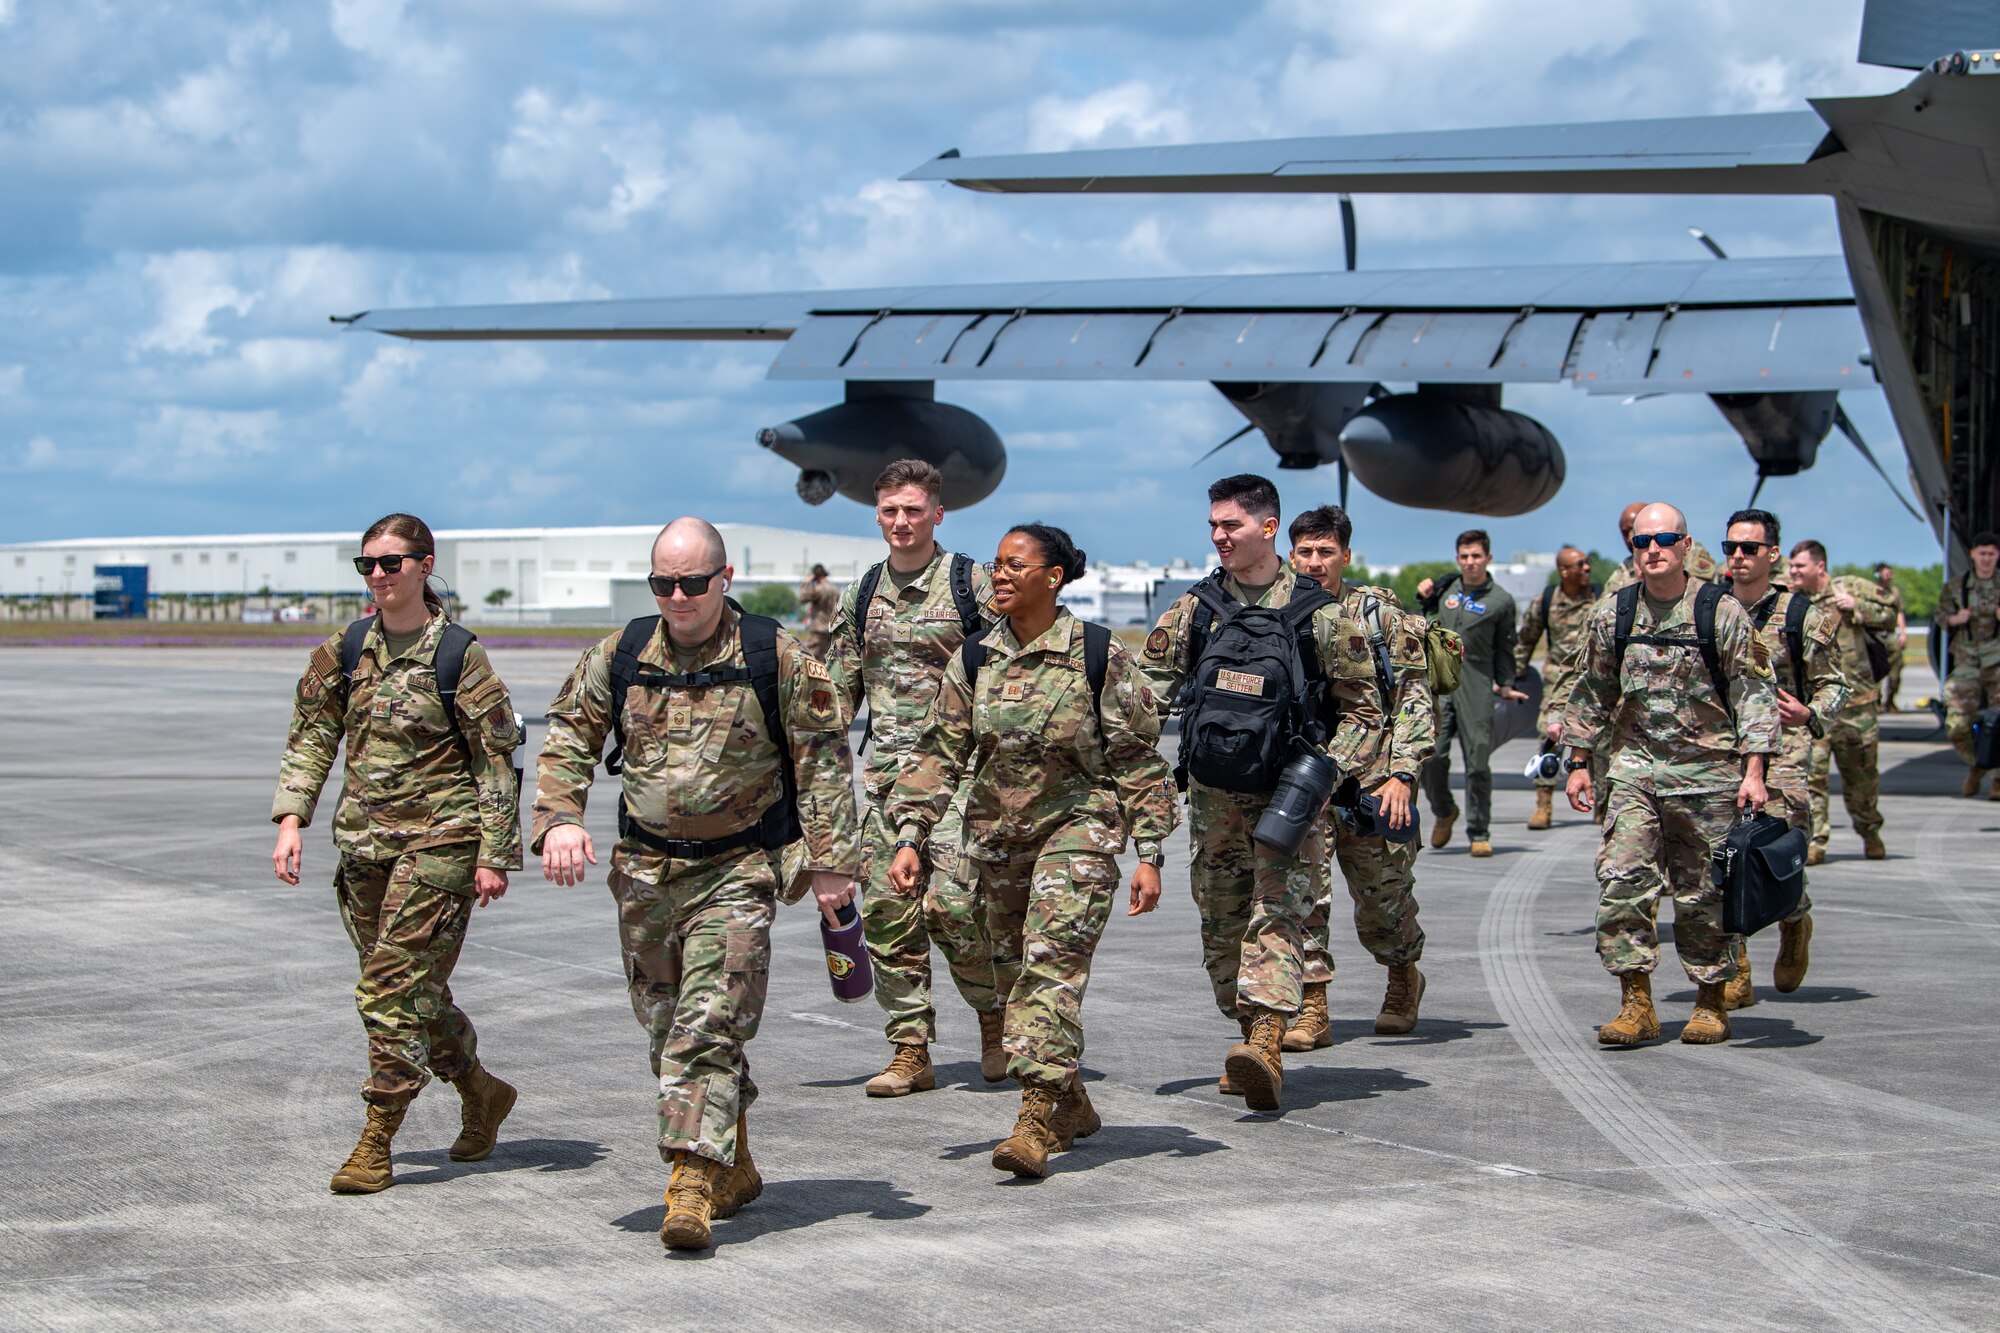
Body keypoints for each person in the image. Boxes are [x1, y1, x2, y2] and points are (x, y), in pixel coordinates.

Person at [534, 517, 860, 1252]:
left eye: (692, 582)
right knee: (664, 1029)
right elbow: (566, 736)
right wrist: (558, 818)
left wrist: (833, 860)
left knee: (705, 1025)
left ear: (725, 578)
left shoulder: (775, 656)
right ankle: (734, 1159)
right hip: (645, 873)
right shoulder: (620, 655)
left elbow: (824, 760)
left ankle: (688, 1181)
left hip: (740, 869)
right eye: (663, 583)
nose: (677, 596)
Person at [887, 524, 1176, 1179]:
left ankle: (1034, 1120)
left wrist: (1150, 851)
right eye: (996, 565)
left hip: (1079, 834)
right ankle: (1071, 1099)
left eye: (1017, 565)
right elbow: (939, 752)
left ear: (1053, 577)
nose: (1001, 575)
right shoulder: (975, 658)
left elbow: (1136, 760)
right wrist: (910, 835)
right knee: (1007, 968)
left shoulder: (1097, 655)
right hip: (996, 842)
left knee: (1047, 971)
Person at [270, 512, 524, 1195]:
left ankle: (377, 1136)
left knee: (387, 990)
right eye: (367, 565)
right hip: (363, 848)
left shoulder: (458, 655)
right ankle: (480, 1089)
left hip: (440, 846)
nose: (378, 576)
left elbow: (495, 761)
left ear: (424, 564)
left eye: (391, 563)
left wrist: (495, 853)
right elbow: (313, 732)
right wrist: (292, 818)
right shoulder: (347, 649)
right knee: (413, 993)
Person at [1140, 475, 1382, 1111]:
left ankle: (1269, 1041)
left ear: (1268, 528)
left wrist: (1325, 775)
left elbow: (1364, 712)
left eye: (1232, 526)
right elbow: (1143, 698)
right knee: (1221, 927)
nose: (1219, 536)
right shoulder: (1195, 610)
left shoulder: (1321, 614)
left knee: (1276, 916)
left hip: (1289, 801)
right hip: (1214, 799)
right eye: (1214, 526)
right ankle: (1249, 1035)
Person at [1560, 502, 1777, 1047]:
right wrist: (1580, 762)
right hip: (1635, 771)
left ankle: (1709, 1001)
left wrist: (1755, 770)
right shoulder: (1614, 614)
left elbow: (1753, 693)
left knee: (1702, 894)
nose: (1652, 550)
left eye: (1664, 539)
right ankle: (1636, 1003)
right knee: (1622, 881)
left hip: (1708, 776)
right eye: (1641, 542)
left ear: (1685, 546)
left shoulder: (1719, 612)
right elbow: (1593, 689)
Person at [826, 460, 1003, 1097]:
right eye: (890, 511)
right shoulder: (863, 592)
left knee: (954, 907)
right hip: (884, 785)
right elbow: (840, 689)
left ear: (937, 514)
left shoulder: (973, 585)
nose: (901, 523)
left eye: (913, 510)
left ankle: (993, 1020)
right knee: (887, 916)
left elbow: (1008, 673)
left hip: (958, 782)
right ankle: (909, 1050)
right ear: (878, 515)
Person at [1285, 506, 1434, 1046]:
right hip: (1304, 785)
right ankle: (1313, 1007)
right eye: (1305, 551)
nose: (1315, 562)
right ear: (1290, 554)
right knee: (1303, 900)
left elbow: (1415, 700)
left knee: (1384, 905)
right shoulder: (1279, 613)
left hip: (1372, 784)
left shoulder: (1381, 618)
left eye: (1326, 552)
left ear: (1346, 556)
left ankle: (1403, 977)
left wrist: (1403, 775)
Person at [1720, 510, 1848, 1007]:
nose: (1738, 557)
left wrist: (1812, 712)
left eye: (1749, 548)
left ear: (1773, 554)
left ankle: (1795, 921)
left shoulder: (1801, 616)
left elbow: (1835, 684)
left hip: (1785, 749)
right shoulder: (1712, 608)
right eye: (1731, 547)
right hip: (1723, 748)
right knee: (1725, 857)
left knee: (1776, 852)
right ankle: (1737, 971)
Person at [1416, 529, 1525, 857]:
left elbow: (1505, 647)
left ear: (1488, 558)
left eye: (1476, 556)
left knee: (1478, 760)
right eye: (1464, 556)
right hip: (1440, 681)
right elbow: (1424, 614)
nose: (1470, 562)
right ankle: (1444, 810)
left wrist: (1506, 684)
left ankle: (1479, 830)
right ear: (1458, 559)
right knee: (1432, 756)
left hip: (1477, 681)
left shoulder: (1501, 600)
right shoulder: (1447, 587)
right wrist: (1424, 593)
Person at [1787, 540, 1893, 862]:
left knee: (1861, 778)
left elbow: (1889, 612)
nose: (1793, 572)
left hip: (1856, 705)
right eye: (1791, 567)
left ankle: (1869, 830)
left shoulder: (1848, 588)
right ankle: (1816, 841)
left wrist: (1858, 608)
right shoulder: (1795, 603)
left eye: (1799, 567)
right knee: (1813, 777)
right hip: (1815, 707)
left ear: (1819, 567)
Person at [1515, 545, 1599, 831]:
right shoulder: (1547, 600)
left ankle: (1602, 802)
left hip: (1592, 682)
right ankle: (1543, 806)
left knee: (1601, 742)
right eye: (1580, 565)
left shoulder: (1599, 598)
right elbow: (1527, 638)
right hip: (1556, 683)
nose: (1587, 568)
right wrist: (1515, 676)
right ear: (1564, 571)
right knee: (1549, 741)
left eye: (1587, 563)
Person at [1936, 532, 2000, 797]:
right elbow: (1940, 616)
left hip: (1997, 660)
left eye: (1991, 554)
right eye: (1982, 553)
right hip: (1967, 660)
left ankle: (1998, 778)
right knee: (1957, 725)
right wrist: (1954, 619)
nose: (1986, 559)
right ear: (1973, 554)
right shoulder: (1955, 586)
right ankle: (1978, 765)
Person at [1601, 499, 1723, 594]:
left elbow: (1702, 589)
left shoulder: (1691, 553)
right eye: (1625, 532)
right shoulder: (1625, 568)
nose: (1628, 538)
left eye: (1633, 530)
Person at [1873, 562, 1907, 712]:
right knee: (1876, 670)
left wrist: (1903, 632)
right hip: (1875, 635)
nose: (1888, 576)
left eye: (1890, 573)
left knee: (1896, 668)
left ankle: (1890, 700)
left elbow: (1899, 612)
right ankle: (1876, 702)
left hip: (1891, 635)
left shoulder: (1895, 592)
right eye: (1885, 573)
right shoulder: (1871, 591)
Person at [797, 563, 840, 661]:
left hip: (819, 629)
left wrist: (806, 583)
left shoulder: (819, 589)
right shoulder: (834, 589)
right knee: (828, 658)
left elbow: (802, 598)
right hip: (831, 628)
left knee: (809, 657)